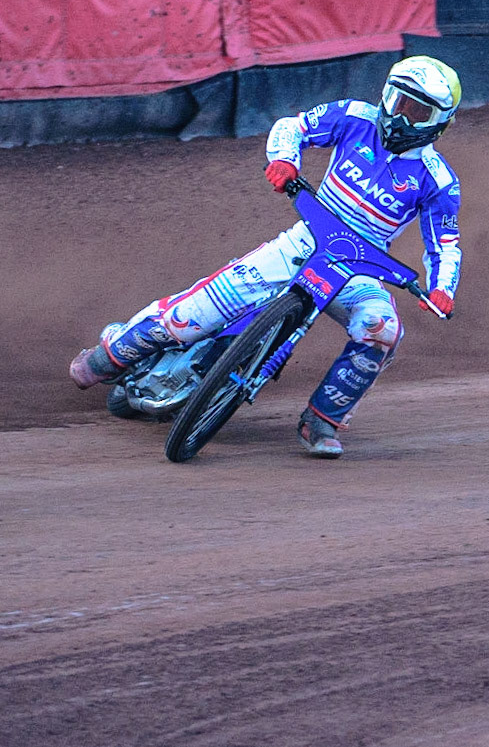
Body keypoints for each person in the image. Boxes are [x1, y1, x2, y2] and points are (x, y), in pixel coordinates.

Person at [69, 57, 466, 459]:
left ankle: (322, 421)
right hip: (301, 243)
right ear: (385, 95)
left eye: (418, 111)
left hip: (357, 271)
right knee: (192, 314)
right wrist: (284, 159)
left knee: (383, 330)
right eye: (398, 101)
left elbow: (445, 245)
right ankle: (108, 358)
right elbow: (291, 127)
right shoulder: (353, 116)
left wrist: (441, 288)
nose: (401, 116)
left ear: (441, 122)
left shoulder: (438, 180)